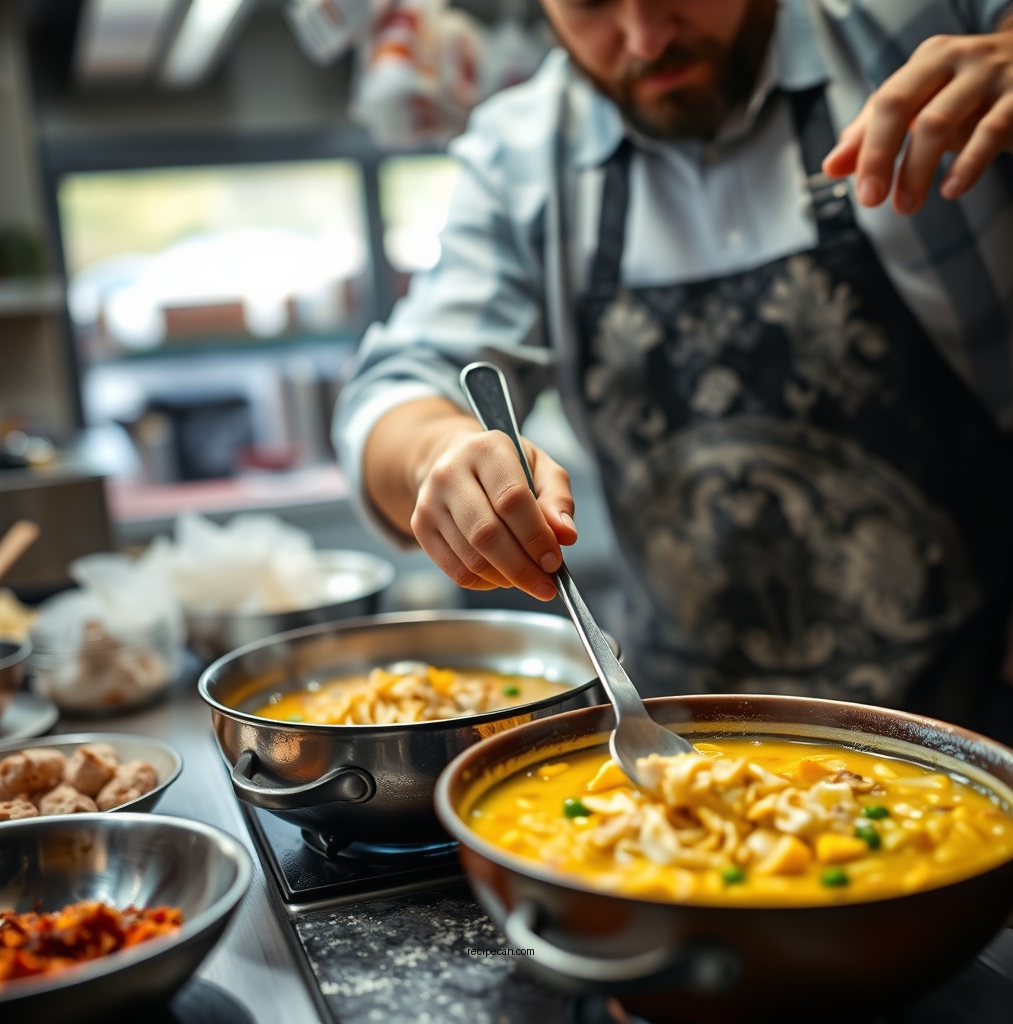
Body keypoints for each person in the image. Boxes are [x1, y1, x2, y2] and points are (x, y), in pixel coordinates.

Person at [332, 0, 1013, 741]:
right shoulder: (520, 159)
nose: (646, 38)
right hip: (677, 744)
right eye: (590, 4)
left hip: (976, 715)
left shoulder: (912, 22)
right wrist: (440, 452)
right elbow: (397, 385)